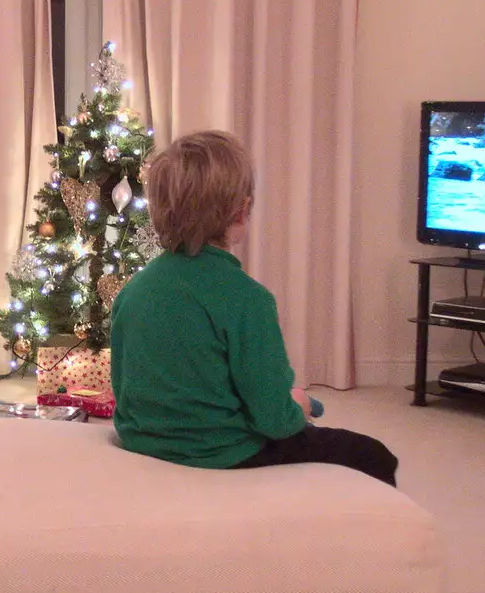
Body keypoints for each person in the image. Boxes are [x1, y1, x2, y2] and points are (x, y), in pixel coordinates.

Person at [110, 130, 398, 485]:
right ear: (242, 211)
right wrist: (301, 406)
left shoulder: (134, 291)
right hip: (225, 453)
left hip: (145, 443)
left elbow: (124, 387)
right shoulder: (247, 299)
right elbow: (276, 421)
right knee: (374, 455)